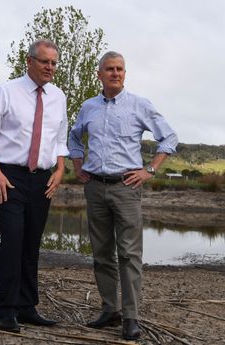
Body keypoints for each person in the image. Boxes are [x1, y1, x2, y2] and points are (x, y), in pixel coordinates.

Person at [68, 51, 178, 340]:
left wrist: (149, 170)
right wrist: (78, 165)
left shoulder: (138, 105)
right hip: (95, 187)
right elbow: (74, 136)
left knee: (129, 254)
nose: (115, 73)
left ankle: (131, 317)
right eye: (109, 69)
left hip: (126, 188)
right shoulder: (88, 107)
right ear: (99, 74)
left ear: (125, 74)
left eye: (120, 69)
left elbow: (169, 137)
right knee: (102, 253)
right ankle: (109, 310)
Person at [0, 39, 68, 333]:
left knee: (31, 243)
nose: (50, 67)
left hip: (42, 180)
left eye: (54, 63)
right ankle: (6, 311)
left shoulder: (58, 97)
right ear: (29, 61)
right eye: (44, 62)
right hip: (9, 177)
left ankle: (27, 307)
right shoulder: (6, 92)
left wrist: (61, 169)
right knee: (13, 240)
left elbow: (60, 139)